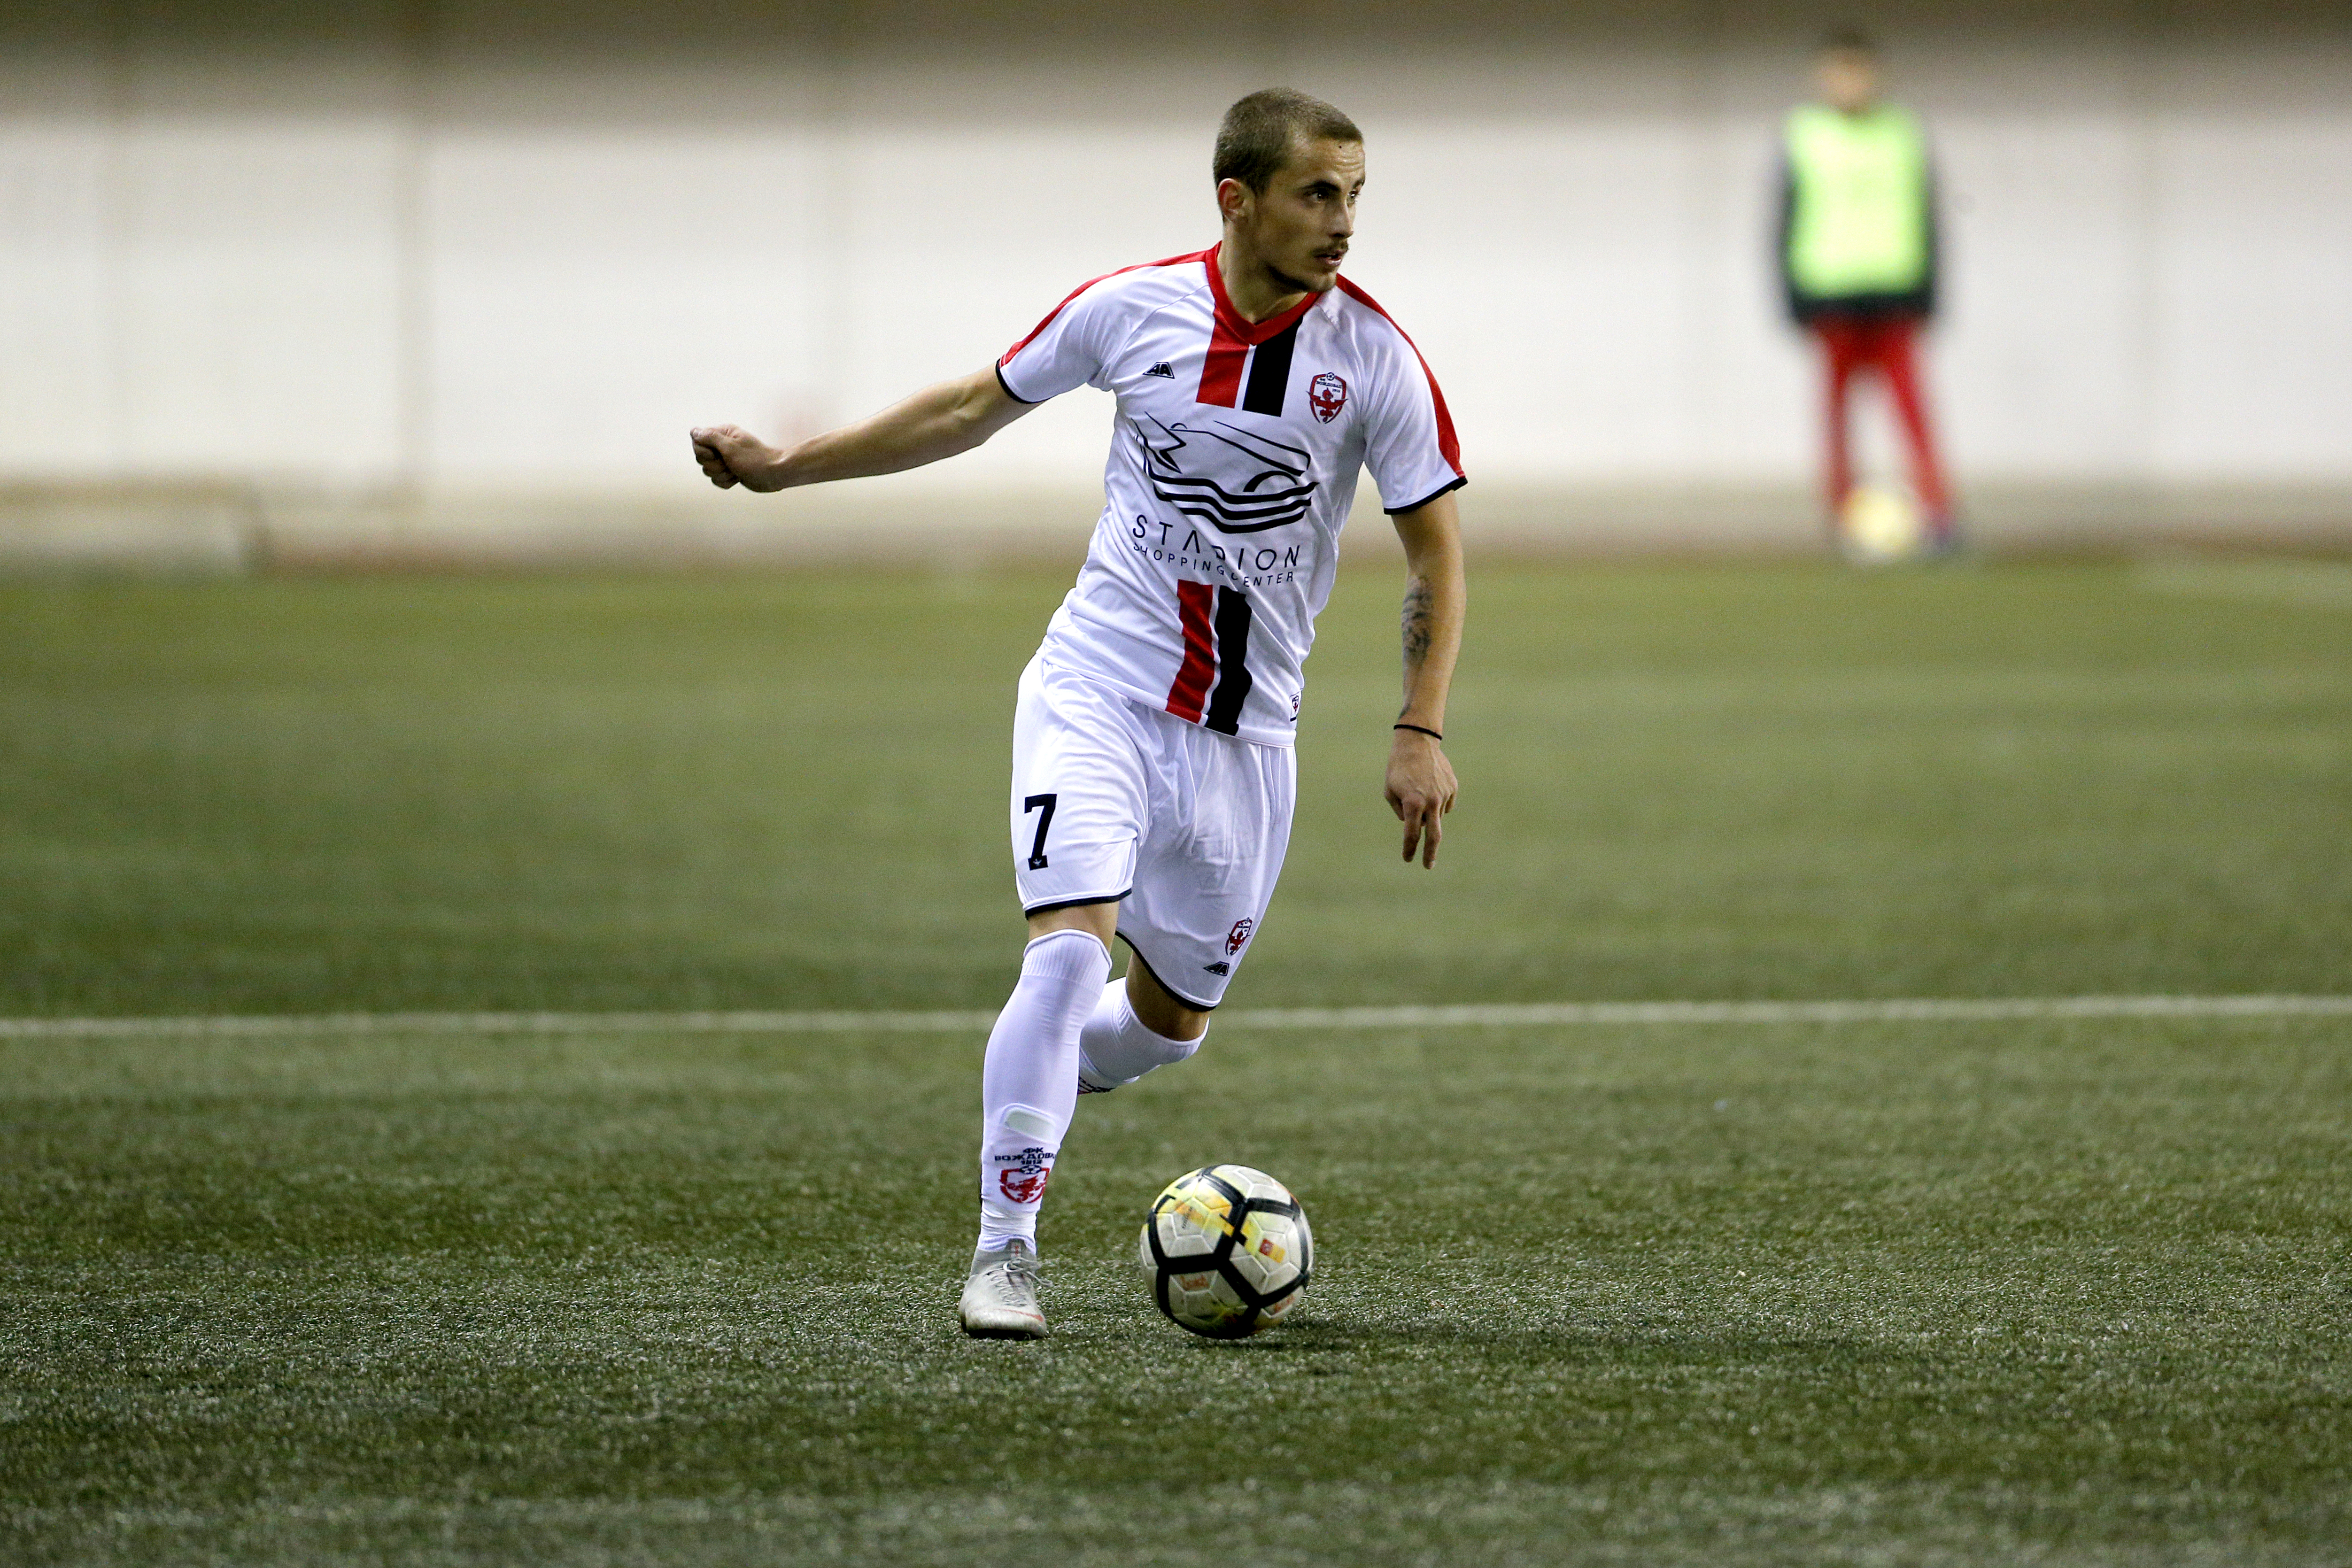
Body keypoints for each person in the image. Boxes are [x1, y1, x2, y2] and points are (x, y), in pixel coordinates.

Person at [690, 88, 1466, 1339]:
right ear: (1238, 199)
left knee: (1169, 1029)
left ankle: (1057, 1068)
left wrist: (1418, 725)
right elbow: (963, 409)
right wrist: (789, 467)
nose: (1344, 223)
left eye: (1356, 196)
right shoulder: (1131, 309)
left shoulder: (1372, 356)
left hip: (1245, 741)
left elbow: (1436, 553)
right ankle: (1005, 1255)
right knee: (1064, 954)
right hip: (1095, 689)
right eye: (1320, 195)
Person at [1778, 29, 1957, 549]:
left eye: (1857, 70)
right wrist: (1790, 297)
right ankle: (1841, 521)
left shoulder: (1903, 133)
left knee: (1913, 412)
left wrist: (1931, 292)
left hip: (1895, 292)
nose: (1848, 82)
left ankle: (1938, 518)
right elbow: (1784, 220)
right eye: (1837, 71)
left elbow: (1927, 217)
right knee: (1835, 417)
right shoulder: (1803, 134)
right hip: (1829, 293)